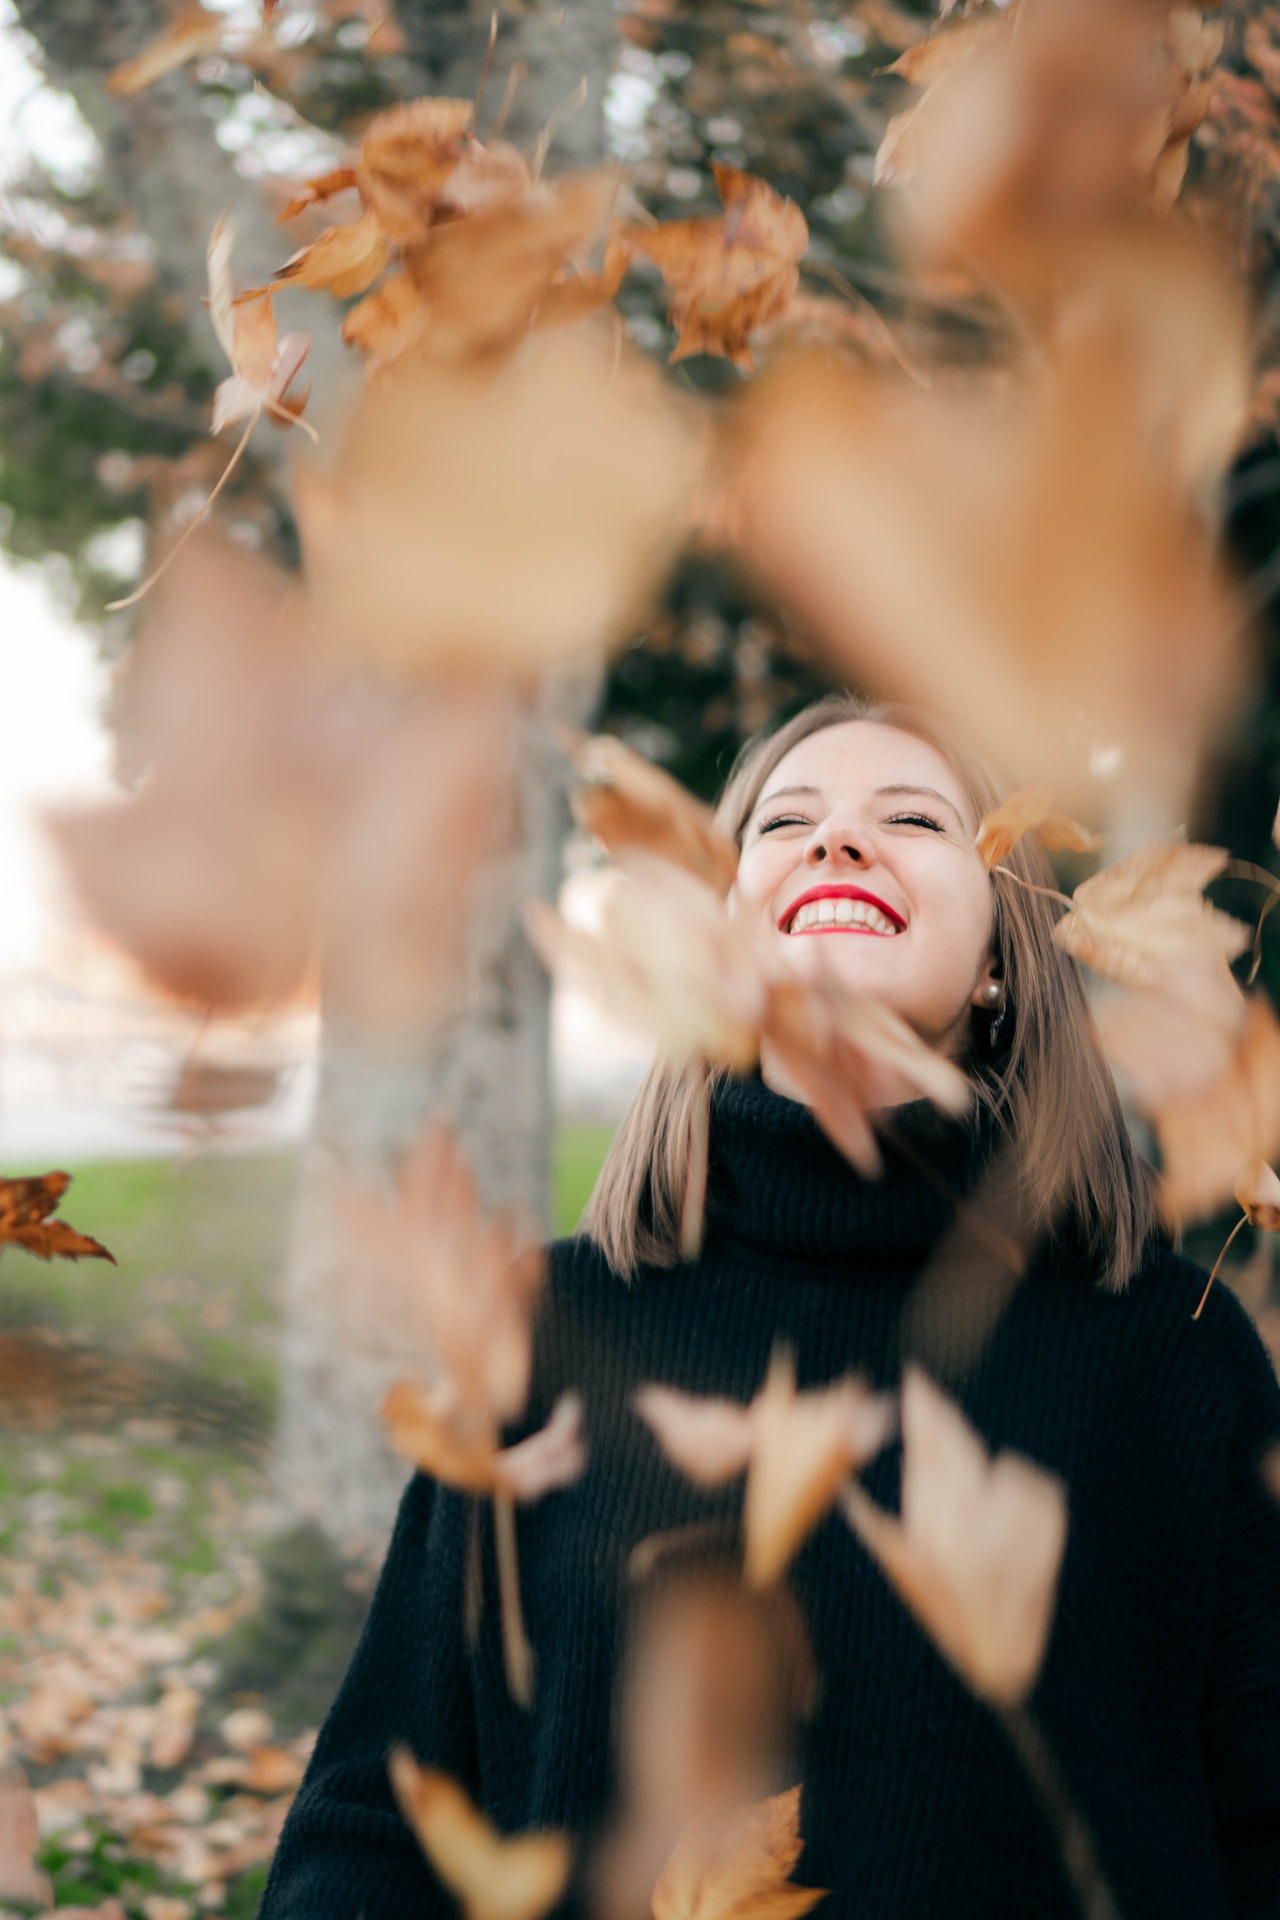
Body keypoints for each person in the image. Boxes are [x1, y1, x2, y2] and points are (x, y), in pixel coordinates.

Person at [258, 694, 1280, 1920]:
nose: (836, 844)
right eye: (782, 824)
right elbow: (376, 1823)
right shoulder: (549, 1329)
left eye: (911, 819)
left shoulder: (1171, 1353)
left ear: (1007, 951)